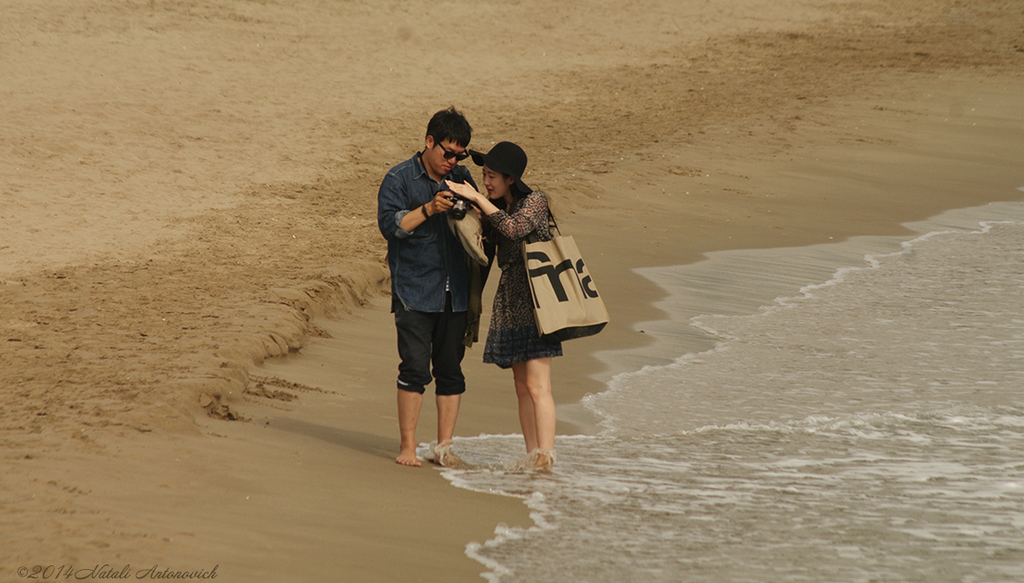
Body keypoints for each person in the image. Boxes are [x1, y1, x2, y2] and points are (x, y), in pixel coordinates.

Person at [445, 142, 561, 469]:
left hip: (539, 301)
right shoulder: (497, 207)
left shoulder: (534, 201)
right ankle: (532, 454)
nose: (487, 181)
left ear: (511, 178)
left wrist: (479, 200)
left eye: (492, 175)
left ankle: (547, 455)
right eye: (484, 175)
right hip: (511, 300)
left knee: (539, 385)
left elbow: (515, 228)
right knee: (522, 386)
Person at [377, 107, 477, 467]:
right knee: (415, 370)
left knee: (450, 372)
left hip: (456, 293)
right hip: (414, 292)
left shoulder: (463, 177)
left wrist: (470, 203)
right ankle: (407, 446)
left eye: (459, 155)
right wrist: (431, 208)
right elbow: (392, 227)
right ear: (429, 142)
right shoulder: (399, 178)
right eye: (446, 152)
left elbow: (480, 221)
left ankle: (444, 447)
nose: (451, 161)